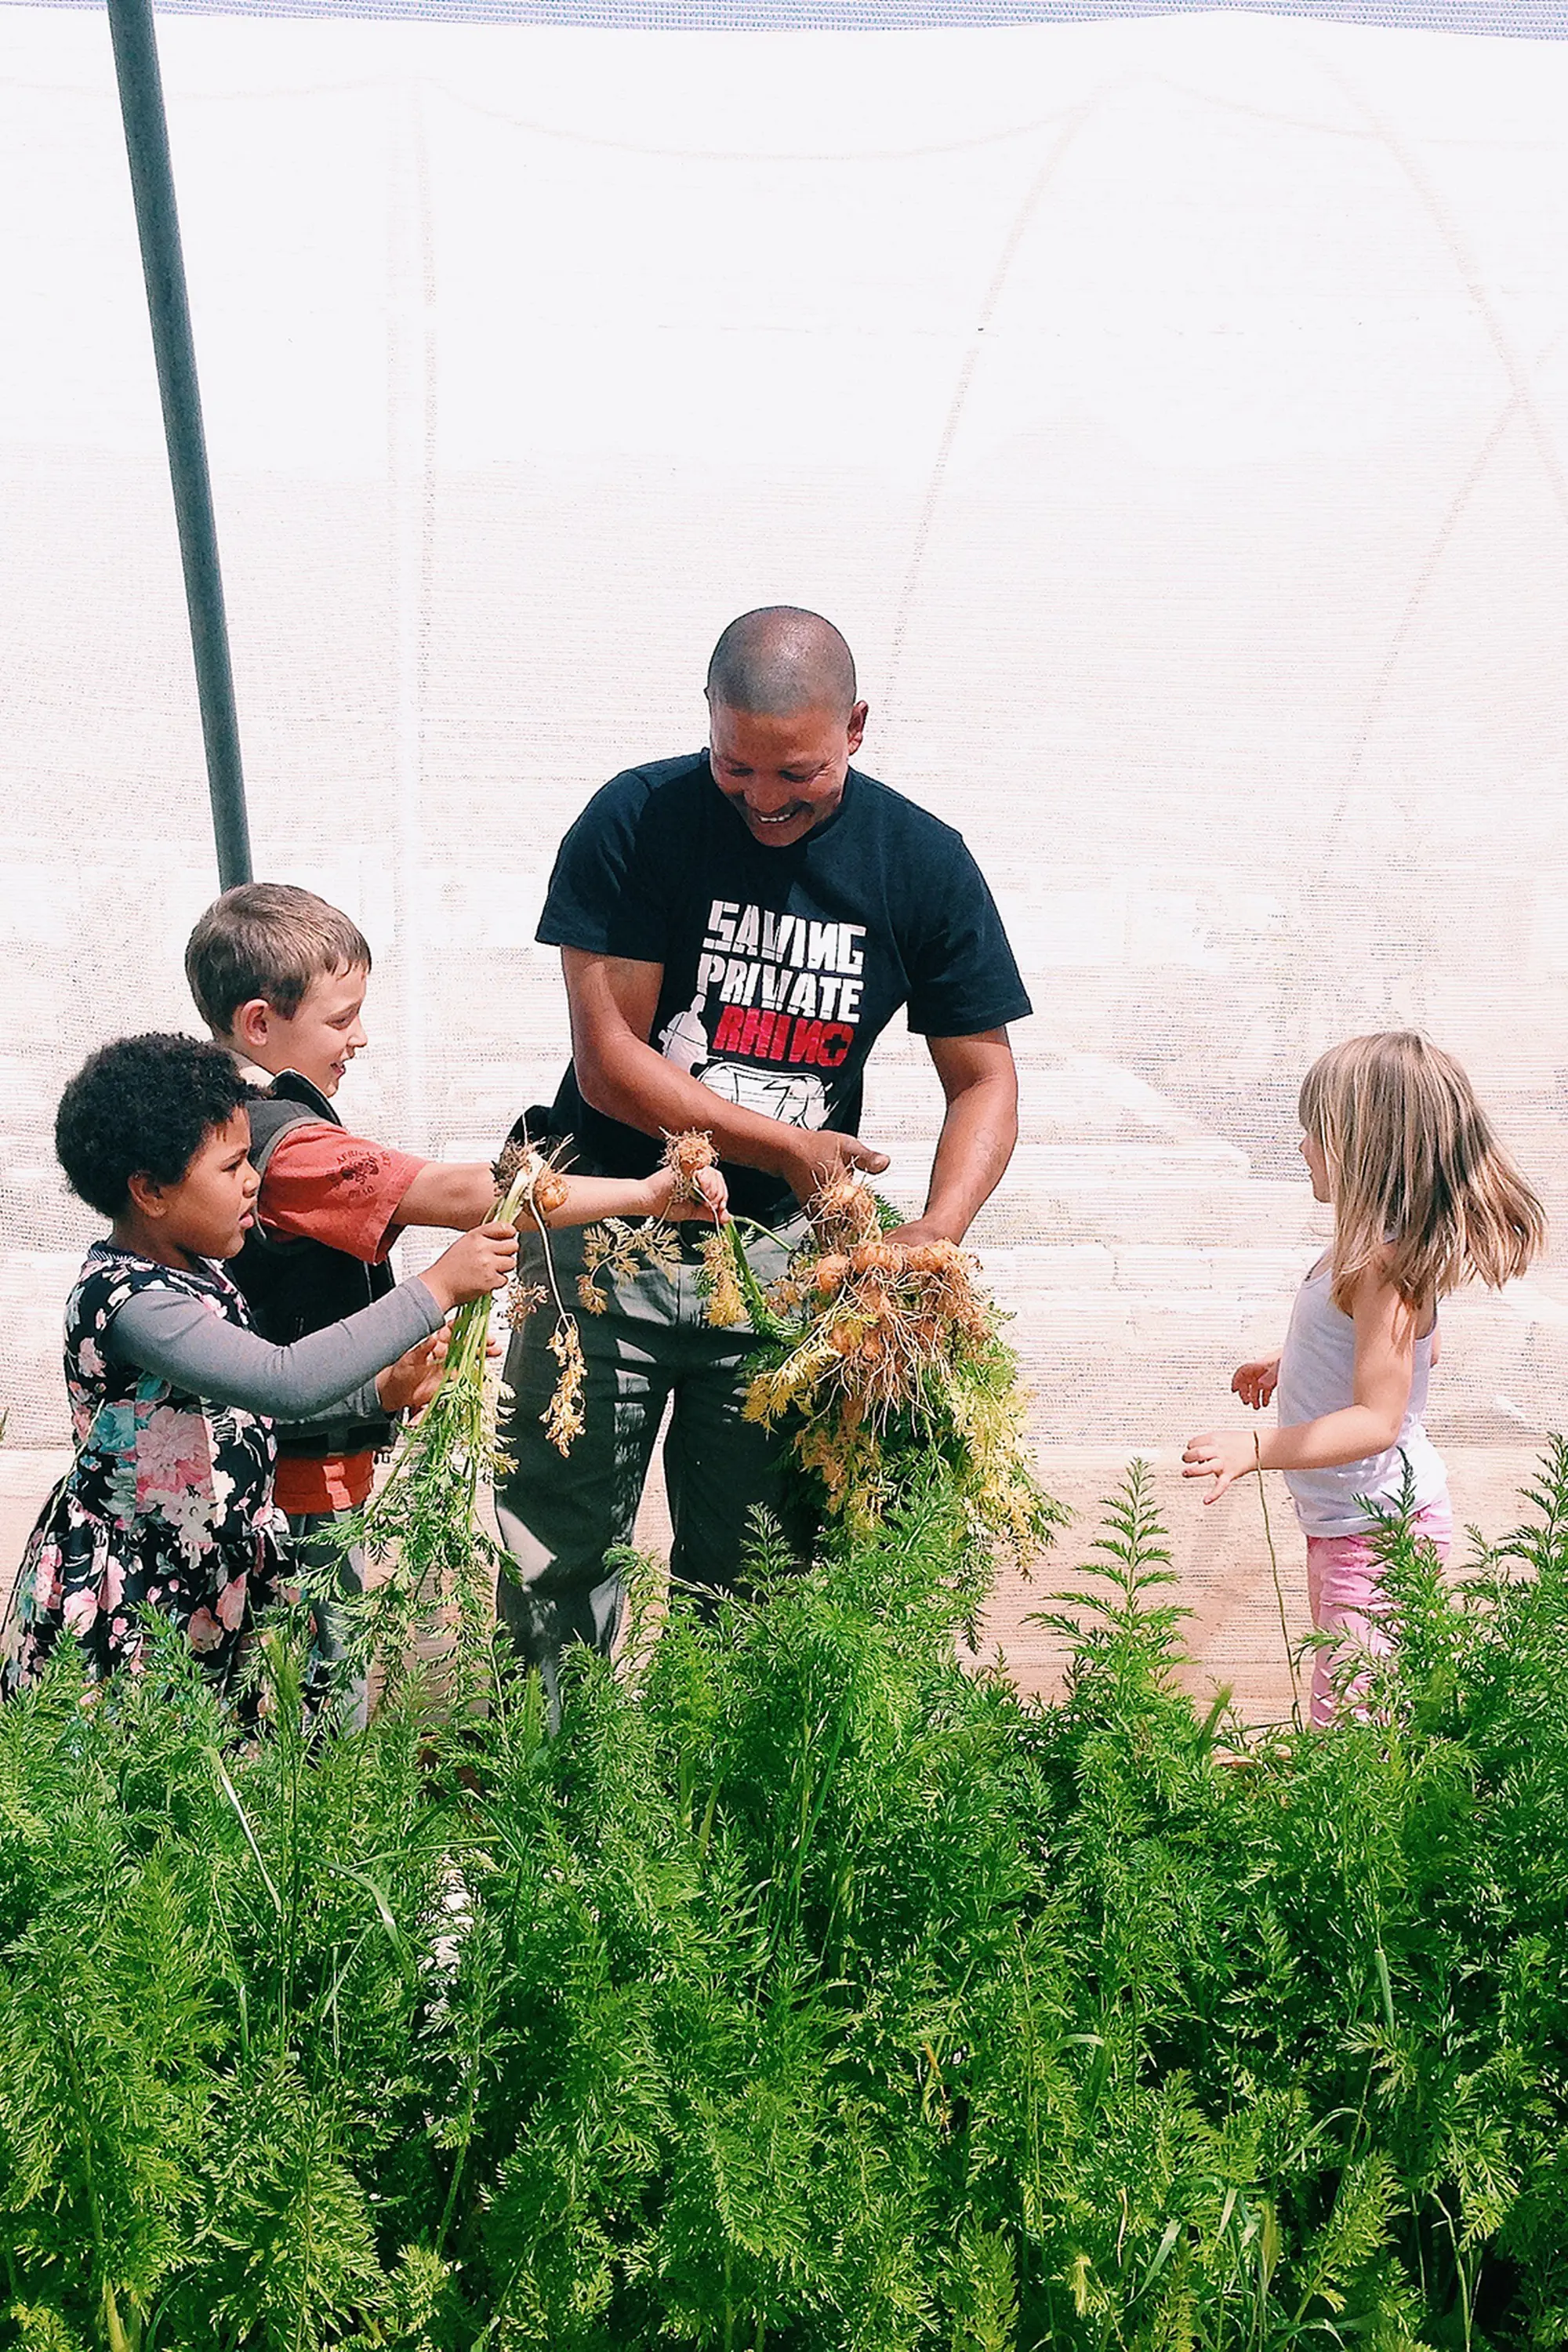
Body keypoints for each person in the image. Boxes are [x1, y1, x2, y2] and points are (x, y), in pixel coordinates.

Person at [497, 604, 1033, 1693]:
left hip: (783, 1270)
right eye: (735, 767)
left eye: (800, 773)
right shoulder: (637, 819)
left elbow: (984, 1077)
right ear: (707, 718)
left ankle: (706, 1787)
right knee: (556, 1552)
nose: (765, 799)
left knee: (755, 1571)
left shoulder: (921, 862)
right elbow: (609, 1062)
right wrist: (790, 1146)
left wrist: (936, 1230)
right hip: (608, 1235)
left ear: (856, 727)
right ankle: (547, 1779)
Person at [185, 883, 721, 1715]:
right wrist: (646, 1195)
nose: (360, 1037)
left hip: (297, 1464)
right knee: (312, 1696)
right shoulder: (284, 1143)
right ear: (259, 1022)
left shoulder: (230, 1116)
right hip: (290, 1488)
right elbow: (460, 1193)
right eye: (341, 1019)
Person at [2, 1033, 517, 1701]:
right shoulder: (133, 1304)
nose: (253, 1180)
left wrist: (383, 1391)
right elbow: (283, 1381)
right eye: (232, 1166)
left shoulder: (200, 1273)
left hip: (203, 1581)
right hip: (135, 1596)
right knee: (139, 1756)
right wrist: (436, 1288)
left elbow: (247, 1408)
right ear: (150, 1190)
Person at [1181, 1032, 1546, 1726]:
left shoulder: (1382, 1267)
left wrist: (1255, 1447)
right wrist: (1295, 1363)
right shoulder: (1361, 1255)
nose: (1302, 1148)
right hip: (1348, 1524)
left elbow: (1380, 1418)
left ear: (1360, 1148)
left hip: (1380, 1535)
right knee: (1356, 1701)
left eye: (1314, 1133)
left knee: (1354, 1722)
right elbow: (1417, 1357)